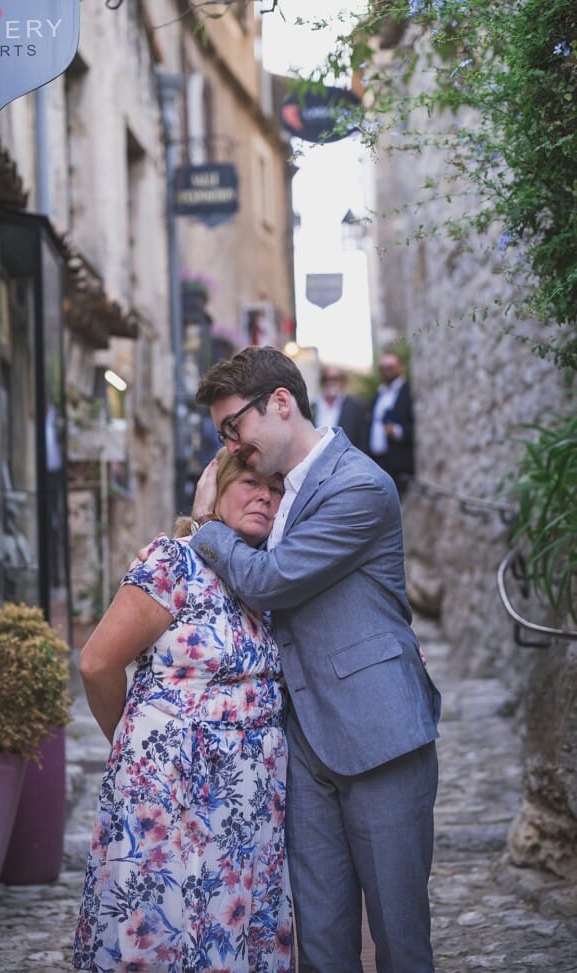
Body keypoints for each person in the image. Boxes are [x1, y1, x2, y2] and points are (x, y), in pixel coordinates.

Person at [186, 345, 440, 972]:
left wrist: (205, 524)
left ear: (279, 403)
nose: (231, 446)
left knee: (399, 941)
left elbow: (272, 581)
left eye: (234, 427)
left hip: (380, 735)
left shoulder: (360, 485)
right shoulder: (273, 494)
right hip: (303, 744)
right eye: (222, 435)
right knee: (321, 947)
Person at [73, 451, 293, 972]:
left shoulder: (272, 577)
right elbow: (98, 663)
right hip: (169, 788)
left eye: (276, 487)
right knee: (161, 925)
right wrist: (136, 744)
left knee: (231, 931)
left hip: (248, 804)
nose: (264, 495)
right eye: (249, 483)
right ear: (215, 489)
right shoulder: (175, 561)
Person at [367, 351, 415, 497]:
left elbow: (418, 426)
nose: (387, 371)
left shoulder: (409, 392)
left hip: (399, 465)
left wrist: (397, 431)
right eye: (383, 368)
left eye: (391, 367)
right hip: (377, 463)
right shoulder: (378, 396)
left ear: (401, 367)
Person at [311, 364, 368, 447]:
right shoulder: (313, 406)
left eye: (335, 379)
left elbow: (362, 440)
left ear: (343, 381)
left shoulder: (356, 407)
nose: (330, 382)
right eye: (326, 379)